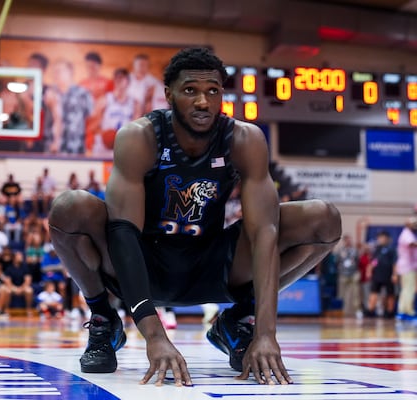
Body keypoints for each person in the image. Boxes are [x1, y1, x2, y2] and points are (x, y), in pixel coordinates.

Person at [48, 47, 342, 386]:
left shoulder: (244, 139)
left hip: (211, 262)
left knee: (324, 219)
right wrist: (154, 334)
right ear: (169, 94)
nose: (203, 101)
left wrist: (265, 332)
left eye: (213, 91)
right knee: (69, 207)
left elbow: (264, 232)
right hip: (143, 263)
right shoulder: (140, 136)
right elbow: (122, 232)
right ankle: (103, 318)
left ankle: (237, 320)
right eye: (191, 90)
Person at [364, 230, 397, 318]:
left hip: (388, 275)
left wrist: (394, 274)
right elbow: (374, 261)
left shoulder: (391, 249)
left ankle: (390, 312)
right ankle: (370, 310)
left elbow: (394, 263)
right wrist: (369, 270)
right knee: (373, 292)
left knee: (390, 294)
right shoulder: (377, 249)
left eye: (383, 237)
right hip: (377, 275)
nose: (381, 239)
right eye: (379, 238)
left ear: (387, 238)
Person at [394, 217, 417, 320]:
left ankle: (402, 311)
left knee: (406, 289)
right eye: (414, 223)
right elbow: (412, 244)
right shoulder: (407, 234)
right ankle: (408, 312)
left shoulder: (409, 234)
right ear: (408, 224)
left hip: (408, 266)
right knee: (409, 289)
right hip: (407, 267)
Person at [334, 234, 360, 318]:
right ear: (344, 241)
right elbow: (336, 262)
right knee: (341, 293)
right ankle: (340, 310)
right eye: (347, 240)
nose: (349, 242)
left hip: (353, 274)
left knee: (355, 293)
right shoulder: (340, 251)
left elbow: (357, 261)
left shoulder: (354, 250)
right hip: (343, 274)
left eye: (350, 240)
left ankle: (356, 310)